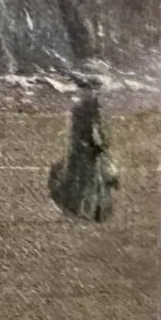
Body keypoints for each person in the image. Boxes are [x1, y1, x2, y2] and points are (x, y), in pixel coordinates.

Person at [48, 79, 118, 223]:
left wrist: (99, 145)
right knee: (81, 181)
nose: (87, 92)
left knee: (89, 181)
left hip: (90, 151)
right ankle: (83, 212)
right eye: (85, 90)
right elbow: (77, 132)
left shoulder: (95, 109)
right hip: (82, 150)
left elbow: (101, 131)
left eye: (90, 90)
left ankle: (90, 213)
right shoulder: (81, 109)